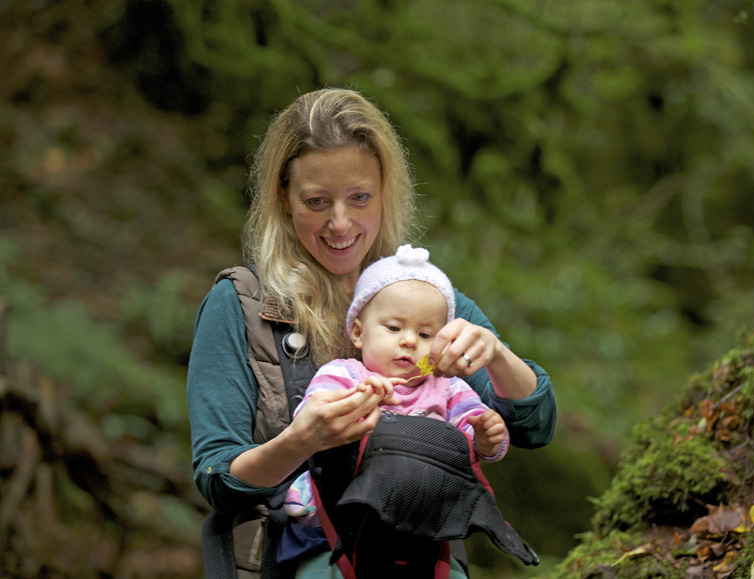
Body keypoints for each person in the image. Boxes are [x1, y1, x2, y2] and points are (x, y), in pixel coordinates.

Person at [186, 87, 557, 578]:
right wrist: (299, 441)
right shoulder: (240, 306)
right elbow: (217, 478)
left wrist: (498, 356)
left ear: (386, 190)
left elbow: (535, 426)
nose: (341, 224)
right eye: (317, 201)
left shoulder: (426, 300)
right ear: (283, 197)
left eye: (360, 198)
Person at [284, 245, 509, 536]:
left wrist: (487, 437)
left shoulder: (448, 388)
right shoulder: (344, 374)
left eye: (425, 334)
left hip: (419, 519)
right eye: (393, 328)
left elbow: (471, 442)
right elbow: (309, 417)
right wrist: (359, 399)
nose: (409, 342)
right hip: (341, 515)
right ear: (358, 332)